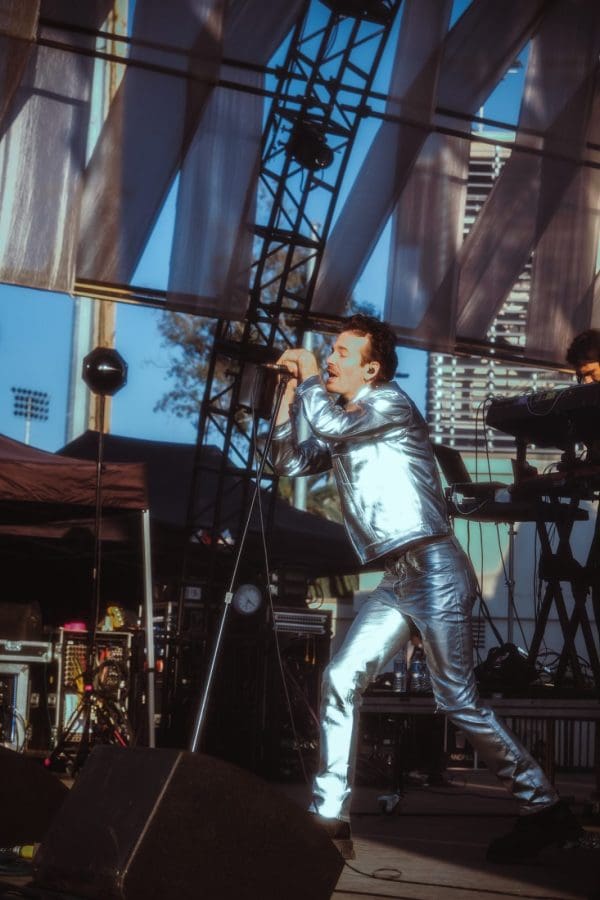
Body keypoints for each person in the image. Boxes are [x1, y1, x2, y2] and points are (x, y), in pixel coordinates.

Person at [271, 314, 581, 863]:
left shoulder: (389, 405)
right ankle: (330, 816)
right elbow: (289, 461)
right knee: (340, 677)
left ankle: (544, 805)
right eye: (330, 351)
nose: (331, 359)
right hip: (398, 577)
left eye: (342, 353)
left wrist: (312, 374)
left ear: (371, 369)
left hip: (436, 567)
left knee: (457, 699)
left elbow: (331, 427)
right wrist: (290, 394)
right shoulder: (343, 420)